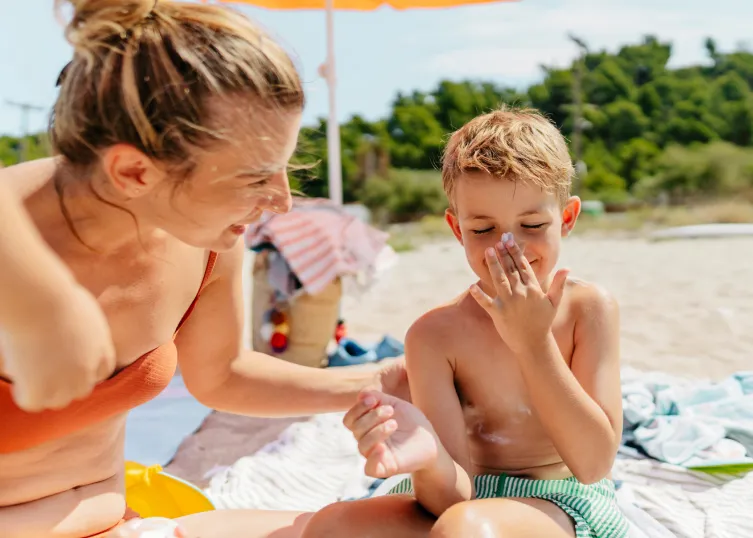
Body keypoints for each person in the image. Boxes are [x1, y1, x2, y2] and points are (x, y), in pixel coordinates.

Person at [0, 1, 406, 537]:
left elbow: (222, 374)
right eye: (255, 177)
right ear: (133, 171)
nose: (281, 201)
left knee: (397, 526)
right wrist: (42, 303)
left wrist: (374, 382)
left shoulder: (206, 243)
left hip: (119, 524)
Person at [302, 107, 629, 538]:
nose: (507, 247)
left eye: (532, 224)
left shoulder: (588, 310)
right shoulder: (434, 336)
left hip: (562, 501)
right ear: (457, 229)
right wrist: (427, 455)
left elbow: (592, 465)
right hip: (466, 500)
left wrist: (533, 343)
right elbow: (450, 501)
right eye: (482, 230)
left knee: (468, 529)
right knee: (332, 526)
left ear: (566, 218)